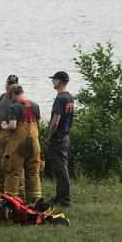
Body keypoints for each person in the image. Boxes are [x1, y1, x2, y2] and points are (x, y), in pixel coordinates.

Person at [0, 84, 42, 203]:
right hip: (34, 142)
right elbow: (39, 125)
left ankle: (11, 200)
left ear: (13, 94)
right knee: (33, 171)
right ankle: (34, 200)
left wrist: (4, 126)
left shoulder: (14, 107)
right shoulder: (35, 105)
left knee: (13, 170)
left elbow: (13, 126)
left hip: (18, 143)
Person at [45, 71, 74, 208]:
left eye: (54, 80)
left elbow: (55, 121)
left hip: (58, 137)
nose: (52, 82)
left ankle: (64, 199)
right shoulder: (69, 97)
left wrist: (49, 137)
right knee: (61, 167)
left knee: (60, 168)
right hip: (66, 135)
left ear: (60, 82)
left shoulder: (60, 98)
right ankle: (60, 196)